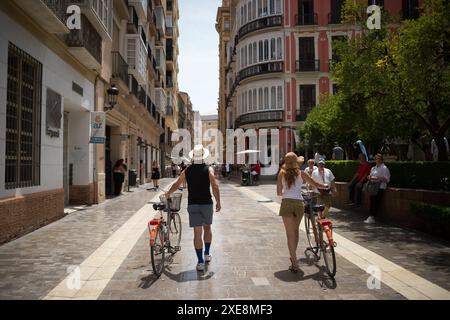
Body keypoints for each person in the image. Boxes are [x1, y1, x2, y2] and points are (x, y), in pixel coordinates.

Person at [165, 145, 221, 272]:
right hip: (206, 203)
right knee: (207, 228)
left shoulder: (187, 171)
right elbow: (214, 185)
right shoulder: (209, 169)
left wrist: (168, 193)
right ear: (203, 156)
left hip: (193, 204)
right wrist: (218, 201)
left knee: (197, 233)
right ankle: (207, 254)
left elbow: (177, 183)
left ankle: (200, 262)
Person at [277, 152, 328, 273]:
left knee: (289, 234)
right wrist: (325, 186)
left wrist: (286, 190)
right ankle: (293, 256)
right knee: (295, 231)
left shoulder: (281, 174)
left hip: (286, 203)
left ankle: (294, 263)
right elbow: (314, 184)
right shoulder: (302, 173)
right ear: (296, 163)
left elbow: (279, 192)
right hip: (299, 203)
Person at [364, 153, 390, 224]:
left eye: (378, 159)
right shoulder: (373, 168)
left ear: (381, 160)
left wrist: (377, 178)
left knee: (376, 202)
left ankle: (372, 217)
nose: (377, 160)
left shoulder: (384, 168)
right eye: (376, 159)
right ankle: (371, 216)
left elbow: (386, 179)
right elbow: (370, 176)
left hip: (380, 187)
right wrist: (369, 177)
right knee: (372, 201)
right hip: (373, 187)